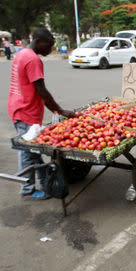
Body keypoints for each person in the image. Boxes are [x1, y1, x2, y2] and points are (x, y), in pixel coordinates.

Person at [7, 28, 75, 200]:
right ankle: (28, 190)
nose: (50, 50)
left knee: (32, 151)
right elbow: (41, 90)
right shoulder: (32, 59)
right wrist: (60, 111)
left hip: (18, 107)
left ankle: (45, 183)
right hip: (25, 111)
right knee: (28, 152)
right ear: (38, 41)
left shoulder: (22, 54)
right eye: (49, 46)